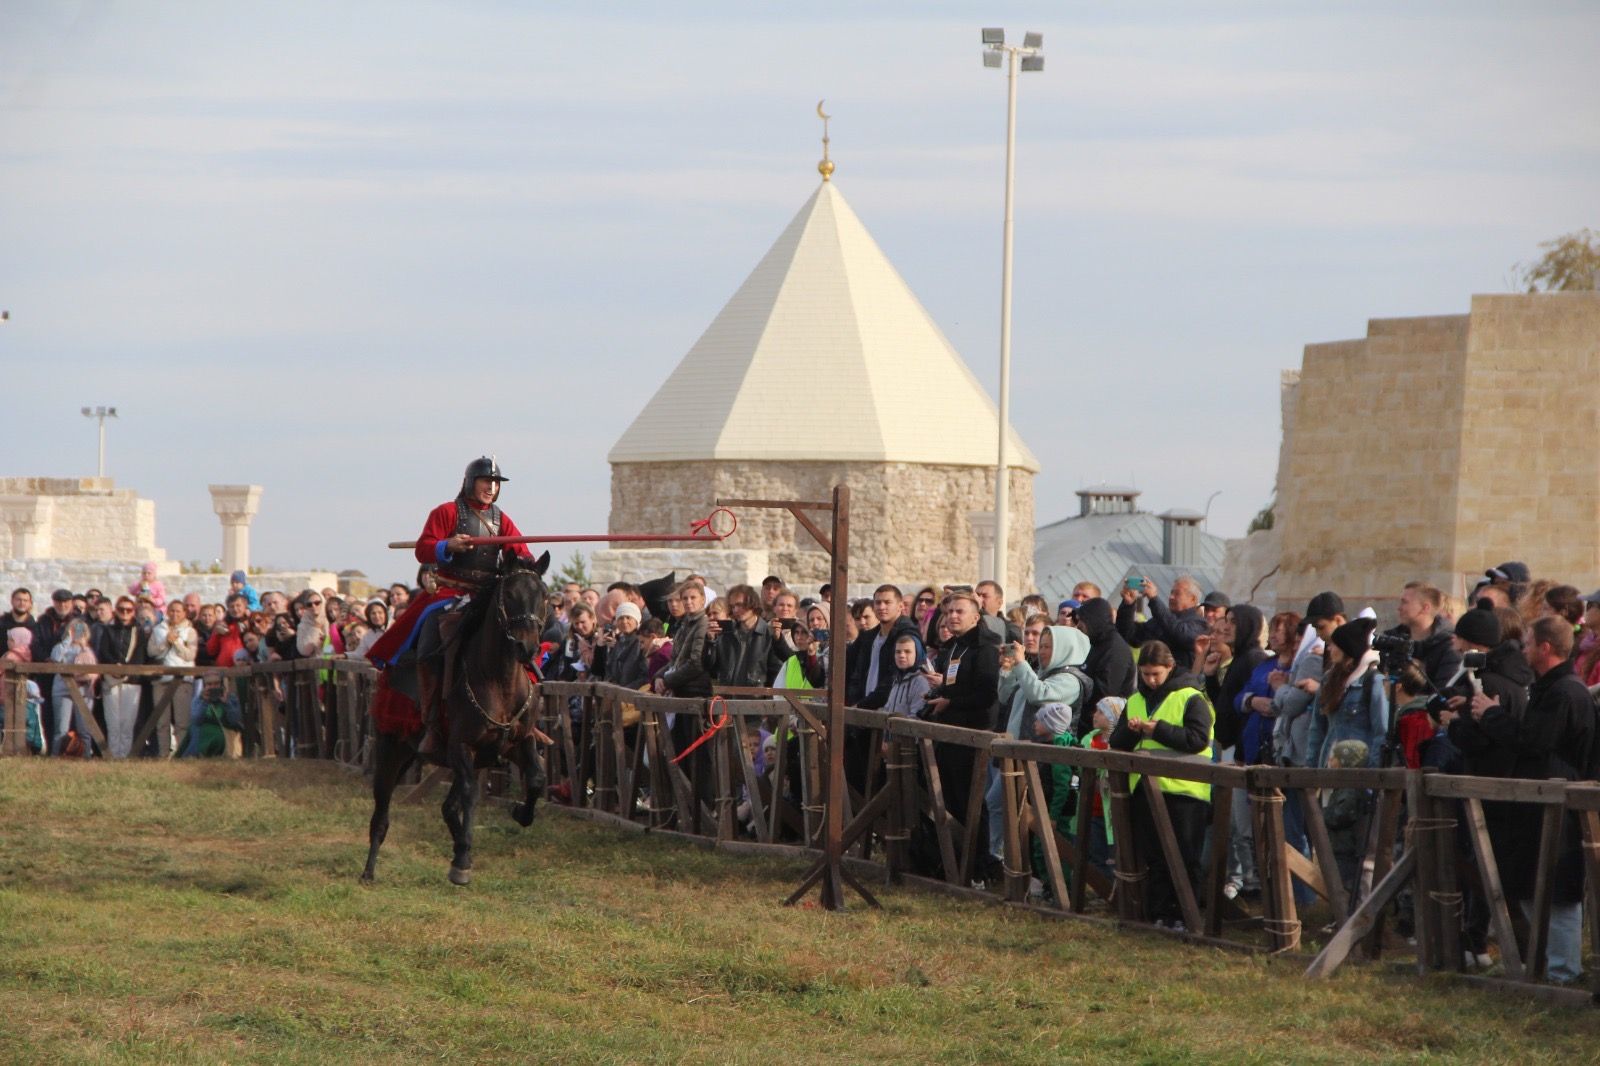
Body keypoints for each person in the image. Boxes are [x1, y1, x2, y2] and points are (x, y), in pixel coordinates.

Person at [367, 456, 537, 755]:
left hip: (487, 595)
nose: (492, 487)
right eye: (487, 481)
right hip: (450, 592)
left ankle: (522, 717)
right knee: (430, 642)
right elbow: (423, 548)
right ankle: (431, 720)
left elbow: (520, 552)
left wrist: (528, 565)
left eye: (496, 483)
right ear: (472, 482)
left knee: (518, 640)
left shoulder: (502, 519)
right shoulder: (446, 512)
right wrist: (448, 546)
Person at [1107, 640, 1213, 929]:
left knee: (1183, 857)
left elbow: (1197, 739)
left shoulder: (1191, 697)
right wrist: (1130, 732)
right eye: (1145, 674)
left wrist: (1158, 730)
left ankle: (1185, 915)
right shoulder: (1136, 700)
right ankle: (1158, 913)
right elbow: (1116, 742)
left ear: (1170, 668)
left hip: (1185, 790)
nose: (1150, 680)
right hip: (1145, 788)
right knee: (1154, 856)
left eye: (1156, 674)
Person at [919, 589, 1000, 843]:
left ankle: (978, 863)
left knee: (971, 801)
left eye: (959, 611)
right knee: (950, 798)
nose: (953, 616)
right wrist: (939, 693)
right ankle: (952, 857)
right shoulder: (954, 645)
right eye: (950, 612)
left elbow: (986, 695)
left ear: (975, 617)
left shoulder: (985, 647)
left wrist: (950, 701)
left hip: (974, 733)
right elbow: (956, 684)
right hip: (950, 730)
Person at [1305, 618, 1387, 768]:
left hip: (1357, 769)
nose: (1329, 648)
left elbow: (1381, 730)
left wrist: (1374, 773)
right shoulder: (1328, 680)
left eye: (1333, 645)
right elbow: (1316, 728)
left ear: (1347, 649)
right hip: (1328, 766)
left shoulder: (1372, 681)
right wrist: (1310, 768)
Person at [1116, 575, 1209, 672]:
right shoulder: (1160, 620)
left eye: (1177, 594)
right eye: (1171, 593)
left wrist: (1154, 600)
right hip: (1150, 682)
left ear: (1193, 599)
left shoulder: (1200, 623)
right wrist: (1128, 605)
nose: (1171, 597)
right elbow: (1131, 636)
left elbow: (1179, 633)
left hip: (1180, 682)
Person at [95, 596, 148, 758]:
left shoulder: (139, 632)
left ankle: (124, 755)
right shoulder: (108, 630)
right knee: (113, 721)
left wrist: (126, 671)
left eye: (129, 610)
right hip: (111, 679)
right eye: (121, 609)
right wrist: (115, 667)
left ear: (133, 612)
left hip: (131, 681)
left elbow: (140, 655)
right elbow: (103, 652)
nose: (125, 613)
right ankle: (112, 755)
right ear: (116, 611)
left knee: (127, 722)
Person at [1383, 583, 1461, 693]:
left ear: (1425, 608)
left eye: (1405, 602)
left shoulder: (1449, 645)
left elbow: (1443, 692)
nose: (1399, 608)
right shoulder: (1392, 640)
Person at [1074, 597, 1134, 736]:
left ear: (1093, 620)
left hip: (1101, 733)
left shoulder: (1114, 650)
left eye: (1082, 620)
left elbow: (1105, 694)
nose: (1079, 625)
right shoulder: (1097, 644)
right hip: (1089, 729)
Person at [147, 599, 199, 756]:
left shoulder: (190, 631)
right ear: (167, 612)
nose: (175, 614)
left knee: (181, 721)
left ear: (184, 613)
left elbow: (189, 655)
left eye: (178, 611)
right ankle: (163, 754)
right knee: (162, 721)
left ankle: (182, 754)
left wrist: (176, 642)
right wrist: (165, 642)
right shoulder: (158, 630)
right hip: (161, 680)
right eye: (172, 611)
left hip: (182, 680)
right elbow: (151, 651)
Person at [854, 586, 919, 710]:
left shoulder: (907, 635)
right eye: (878, 603)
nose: (881, 607)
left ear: (900, 606)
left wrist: (863, 705)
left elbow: (894, 678)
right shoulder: (869, 637)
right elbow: (856, 673)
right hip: (864, 710)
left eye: (887, 602)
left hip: (891, 712)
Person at [1322, 739, 1372, 899]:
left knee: (1348, 888)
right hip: (1343, 847)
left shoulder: (1350, 790)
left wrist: (1322, 815)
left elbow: (1340, 816)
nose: (1330, 760)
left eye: (1334, 757)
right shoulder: (1345, 787)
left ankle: (1350, 919)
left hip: (1347, 848)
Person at [49, 618, 99, 757]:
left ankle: (86, 756)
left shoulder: (88, 650)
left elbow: (93, 669)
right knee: (61, 729)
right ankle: (56, 756)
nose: (77, 632)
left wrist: (83, 645)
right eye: (74, 629)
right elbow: (56, 658)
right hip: (62, 690)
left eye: (80, 630)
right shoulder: (60, 647)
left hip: (83, 691)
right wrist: (67, 640)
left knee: (84, 729)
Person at [593, 601, 650, 690]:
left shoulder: (641, 642)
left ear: (636, 620)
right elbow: (609, 668)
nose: (624, 621)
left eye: (628, 618)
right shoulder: (618, 641)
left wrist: (627, 689)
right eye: (621, 618)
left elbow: (645, 673)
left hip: (632, 693)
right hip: (615, 692)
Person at [880, 632, 932, 716]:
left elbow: (917, 717)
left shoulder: (922, 681)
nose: (902, 655)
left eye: (907, 651)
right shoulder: (896, 679)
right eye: (898, 652)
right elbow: (887, 709)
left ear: (917, 654)